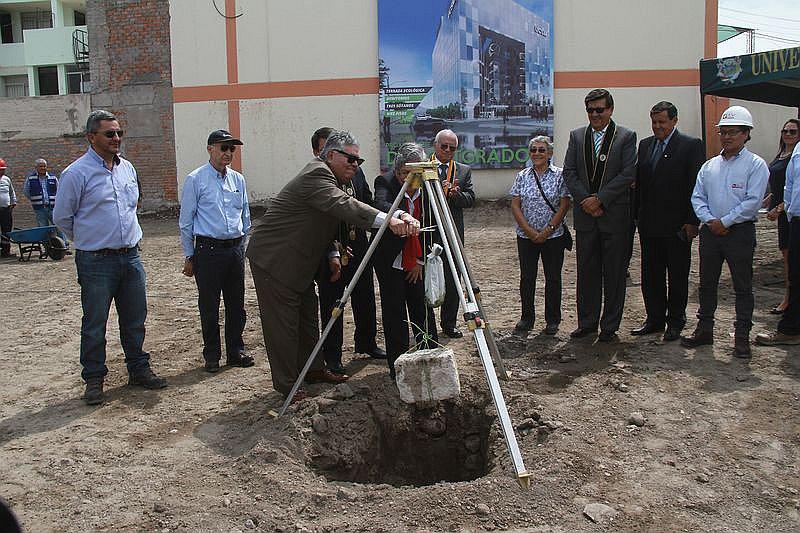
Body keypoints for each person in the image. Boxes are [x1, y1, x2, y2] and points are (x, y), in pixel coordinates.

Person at [246, 130, 419, 402]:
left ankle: (314, 370)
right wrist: (389, 221)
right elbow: (343, 205)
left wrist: (335, 253)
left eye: (358, 161)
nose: (354, 165)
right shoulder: (318, 174)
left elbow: (345, 209)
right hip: (275, 260)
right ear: (330, 154)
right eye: (350, 159)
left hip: (301, 260)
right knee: (283, 325)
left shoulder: (340, 178)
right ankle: (288, 385)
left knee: (306, 318)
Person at [53, 110, 167, 405]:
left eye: (119, 133)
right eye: (110, 134)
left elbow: (132, 206)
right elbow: (62, 218)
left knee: (135, 319)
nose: (116, 138)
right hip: (96, 262)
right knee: (95, 323)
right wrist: (92, 240)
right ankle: (94, 379)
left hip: (130, 257)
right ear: (91, 137)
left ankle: (138, 370)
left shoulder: (127, 168)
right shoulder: (76, 173)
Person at [681, 106, 769, 358]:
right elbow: (697, 198)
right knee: (707, 284)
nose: (727, 137)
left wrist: (726, 222)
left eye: (733, 132)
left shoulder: (755, 165)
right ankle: (704, 329)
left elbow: (753, 201)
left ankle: (742, 337)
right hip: (711, 233)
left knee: (742, 287)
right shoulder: (710, 167)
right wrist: (710, 221)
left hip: (739, 234)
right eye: (724, 132)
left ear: (746, 134)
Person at [562, 88, 637, 343]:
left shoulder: (625, 137)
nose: (595, 114)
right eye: (590, 110)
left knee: (614, 273)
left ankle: (610, 325)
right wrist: (586, 200)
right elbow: (569, 173)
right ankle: (587, 322)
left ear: (610, 109)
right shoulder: (577, 136)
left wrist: (600, 199)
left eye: (599, 110)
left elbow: (627, 174)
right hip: (586, 216)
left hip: (613, 215)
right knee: (587, 272)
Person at [311, 127, 386, 377]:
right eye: (325, 149)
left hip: (358, 243)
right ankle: (332, 356)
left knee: (364, 296)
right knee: (332, 302)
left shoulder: (356, 170)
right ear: (320, 153)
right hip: (331, 247)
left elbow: (365, 200)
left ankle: (367, 342)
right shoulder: (318, 178)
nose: (350, 162)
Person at [179, 129, 254, 373]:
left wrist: (242, 242)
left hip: (234, 250)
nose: (228, 153)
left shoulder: (238, 179)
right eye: (224, 148)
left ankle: (236, 351)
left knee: (236, 304)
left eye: (232, 149)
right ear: (210, 149)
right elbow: (186, 221)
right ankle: (212, 354)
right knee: (209, 305)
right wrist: (189, 255)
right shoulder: (196, 179)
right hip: (208, 251)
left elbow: (245, 214)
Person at [631, 102, 705, 342]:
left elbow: (697, 187)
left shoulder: (690, 146)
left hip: (677, 226)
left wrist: (693, 221)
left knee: (676, 276)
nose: (657, 126)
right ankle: (654, 319)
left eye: (662, 122)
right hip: (650, 225)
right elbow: (640, 186)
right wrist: (636, 217)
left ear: (674, 120)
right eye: (654, 122)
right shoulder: (645, 145)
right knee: (651, 275)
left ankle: (675, 321)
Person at [373, 143, 439, 380]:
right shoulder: (386, 183)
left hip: (418, 260)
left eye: (415, 174)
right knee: (395, 314)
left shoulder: (430, 186)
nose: (409, 180)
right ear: (398, 170)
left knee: (423, 309)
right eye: (404, 173)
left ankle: (430, 358)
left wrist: (419, 261)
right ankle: (399, 366)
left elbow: (434, 226)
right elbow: (380, 204)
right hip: (391, 260)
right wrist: (401, 215)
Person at [510, 136, 571, 335]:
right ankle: (527, 318)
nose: (537, 153)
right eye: (534, 150)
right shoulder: (522, 176)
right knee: (527, 278)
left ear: (550, 153)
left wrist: (548, 230)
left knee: (552, 278)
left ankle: (552, 319)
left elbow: (564, 204)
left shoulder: (560, 175)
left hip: (553, 237)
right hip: (526, 237)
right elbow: (515, 204)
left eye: (541, 150)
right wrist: (528, 230)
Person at [429, 129, 475, 338]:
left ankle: (449, 323)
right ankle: (427, 325)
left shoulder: (463, 171)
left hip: (452, 231)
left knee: (454, 276)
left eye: (452, 148)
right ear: (435, 145)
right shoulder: (423, 167)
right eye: (444, 146)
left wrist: (456, 194)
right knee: (426, 277)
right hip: (428, 230)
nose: (447, 151)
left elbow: (471, 199)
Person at [756, 139, 800, 346]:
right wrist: (788, 211)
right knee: (795, 275)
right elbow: (790, 184)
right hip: (796, 220)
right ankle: (791, 329)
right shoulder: (798, 150)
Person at [763, 119, 800, 314]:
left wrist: (780, 207)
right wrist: (769, 198)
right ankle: (788, 297)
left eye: (792, 131)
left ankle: (789, 299)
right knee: (786, 254)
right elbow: (780, 183)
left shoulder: (796, 156)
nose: (787, 134)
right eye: (785, 130)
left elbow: (795, 188)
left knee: (791, 257)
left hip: (789, 211)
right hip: (780, 208)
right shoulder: (782, 154)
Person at [0, 159, 16, 258]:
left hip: (5, 209)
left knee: (6, 230)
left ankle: (6, 251)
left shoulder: (6, 179)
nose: (2, 171)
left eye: (3, 169)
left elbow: (11, 191)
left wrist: (13, 202)